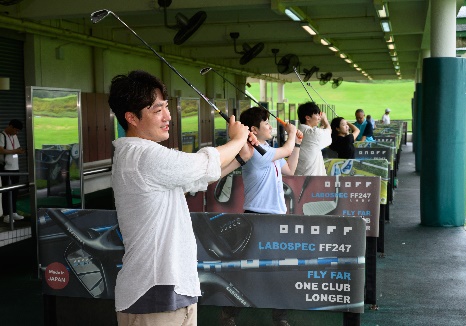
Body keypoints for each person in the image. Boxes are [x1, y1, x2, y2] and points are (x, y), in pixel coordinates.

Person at [109, 70, 258, 326]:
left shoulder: (146, 155)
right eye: (157, 110)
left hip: (172, 286)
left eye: (166, 107)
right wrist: (237, 138)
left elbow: (197, 178)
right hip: (154, 290)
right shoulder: (141, 155)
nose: (168, 116)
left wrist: (241, 157)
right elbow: (201, 163)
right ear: (131, 117)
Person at [220, 106, 302, 326]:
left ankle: (279, 315)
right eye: (266, 123)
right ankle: (230, 313)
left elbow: (290, 169)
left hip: (277, 217)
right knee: (247, 268)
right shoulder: (256, 152)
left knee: (279, 267)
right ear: (254, 130)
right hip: (256, 217)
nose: (270, 126)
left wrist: (298, 144)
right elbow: (285, 151)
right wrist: (292, 135)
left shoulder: (267, 148)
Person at [294, 102, 331, 176]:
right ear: (307, 117)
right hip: (312, 181)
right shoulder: (314, 133)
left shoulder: (298, 131)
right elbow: (328, 132)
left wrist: (321, 125)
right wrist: (325, 120)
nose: (319, 117)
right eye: (317, 114)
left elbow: (315, 132)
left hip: (299, 179)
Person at [0, 119, 25, 223]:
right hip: (6, 168)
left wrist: (20, 150)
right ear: (10, 126)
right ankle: (6, 215)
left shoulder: (14, 136)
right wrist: (15, 151)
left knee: (15, 191)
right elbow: (0, 150)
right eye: (15, 130)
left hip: (15, 167)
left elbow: (17, 148)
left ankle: (13, 212)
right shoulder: (2, 135)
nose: (17, 132)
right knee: (6, 192)